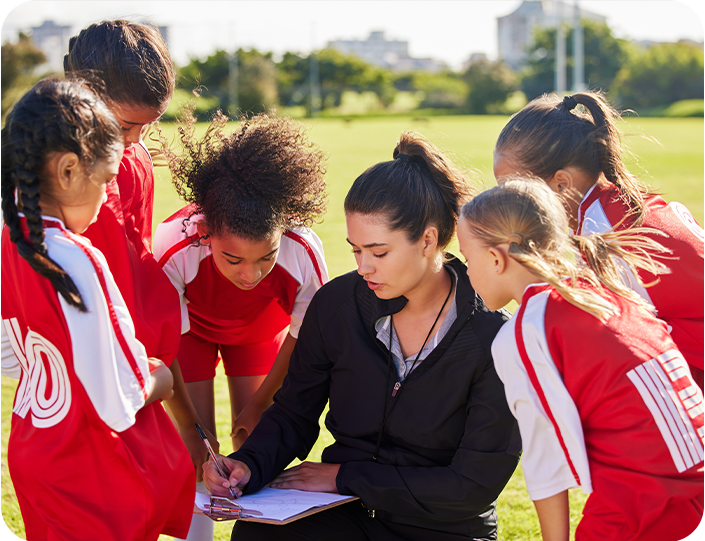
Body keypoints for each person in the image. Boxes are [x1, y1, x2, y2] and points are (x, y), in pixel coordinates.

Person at [203, 132, 521, 541]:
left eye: (379, 252)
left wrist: (347, 477)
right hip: (347, 513)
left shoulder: (493, 336)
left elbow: (471, 488)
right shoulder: (338, 304)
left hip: (442, 527)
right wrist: (249, 463)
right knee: (256, 535)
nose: (364, 267)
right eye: (356, 251)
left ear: (427, 240)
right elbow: (294, 411)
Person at [1, 79, 195, 541]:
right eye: (106, 182)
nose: (108, 198)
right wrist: (159, 380)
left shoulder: (8, 240)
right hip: (88, 470)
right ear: (69, 170)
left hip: (33, 451)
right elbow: (116, 401)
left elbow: (10, 358)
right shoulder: (76, 256)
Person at [457, 178, 704, 541]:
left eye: (466, 258)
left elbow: (545, 464)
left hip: (643, 507)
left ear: (496, 259)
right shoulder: (607, 292)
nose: (465, 271)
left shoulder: (527, 330)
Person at [63, 20, 219, 510]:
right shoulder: (51, 176)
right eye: (126, 126)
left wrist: (181, 414)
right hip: (78, 378)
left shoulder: (133, 163)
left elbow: (137, 279)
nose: (136, 140)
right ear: (80, 94)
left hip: (137, 370)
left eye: (149, 126)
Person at [153, 110, 329, 537]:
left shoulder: (302, 250)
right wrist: (191, 428)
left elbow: (303, 339)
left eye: (265, 258)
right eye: (233, 259)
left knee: (252, 441)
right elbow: (163, 344)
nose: (250, 275)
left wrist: (261, 402)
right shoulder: (174, 245)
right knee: (200, 447)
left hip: (256, 334)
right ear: (207, 234)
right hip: (188, 336)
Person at [493, 91, 704, 387]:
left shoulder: (603, 234)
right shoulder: (614, 204)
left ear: (561, 184)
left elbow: (619, 346)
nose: (506, 203)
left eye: (513, 190)